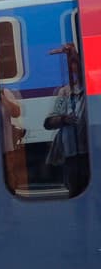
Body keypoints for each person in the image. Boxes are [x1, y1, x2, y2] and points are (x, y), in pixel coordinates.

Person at [44, 43, 88, 196]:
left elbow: (86, 74)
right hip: (71, 154)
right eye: (71, 64)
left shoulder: (90, 88)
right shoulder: (65, 92)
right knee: (75, 192)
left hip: (89, 151)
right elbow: (49, 122)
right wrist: (64, 119)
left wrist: (74, 54)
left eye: (75, 63)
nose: (73, 67)